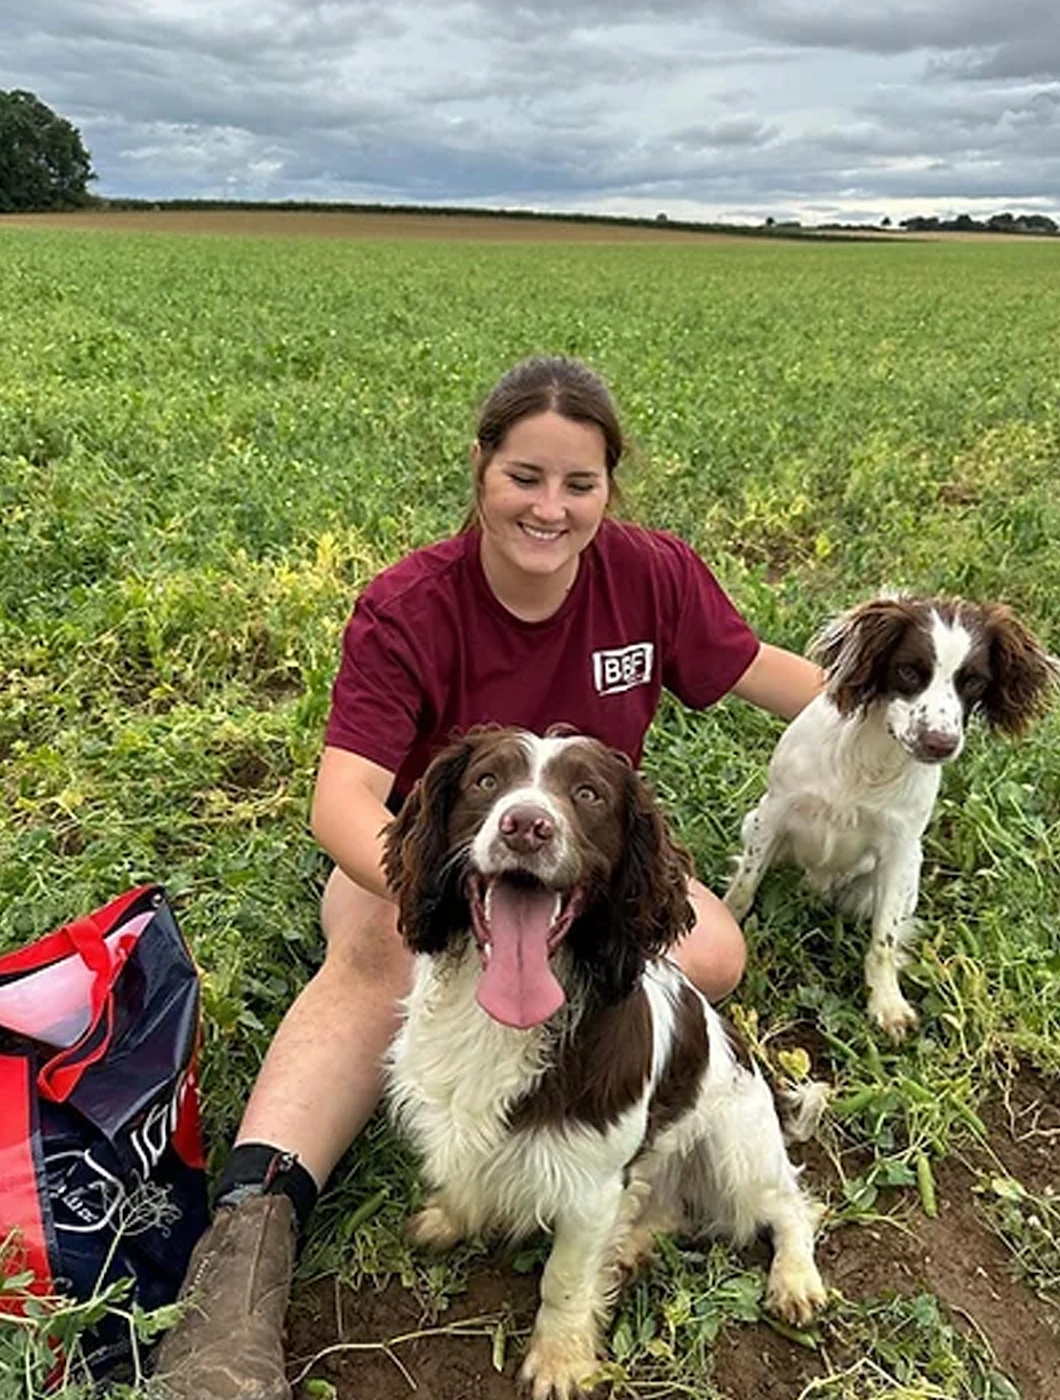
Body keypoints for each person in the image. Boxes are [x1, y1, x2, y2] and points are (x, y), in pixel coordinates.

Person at [152, 355, 824, 1400]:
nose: (549, 507)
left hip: (578, 873)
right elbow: (341, 798)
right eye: (525, 476)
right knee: (385, 952)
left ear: (609, 488)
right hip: (421, 853)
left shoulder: (653, 575)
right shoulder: (410, 603)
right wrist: (437, 892)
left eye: (578, 483)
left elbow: (775, 679)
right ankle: (243, 1259)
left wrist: (905, 720)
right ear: (481, 468)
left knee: (713, 951)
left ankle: (575, 1133)